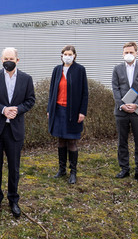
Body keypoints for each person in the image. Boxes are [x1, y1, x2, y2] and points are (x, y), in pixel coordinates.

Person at [0, 47, 35, 218]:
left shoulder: (26, 79)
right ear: (1, 59)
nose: (8, 61)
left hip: (15, 130)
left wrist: (17, 110)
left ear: (17, 60)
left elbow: (30, 100)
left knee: (14, 168)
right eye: (5, 58)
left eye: (11, 58)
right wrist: (4, 109)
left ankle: (13, 200)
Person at [47, 45, 88, 184]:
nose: (67, 56)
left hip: (73, 111)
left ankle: (73, 172)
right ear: (61, 56)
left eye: (70, 54)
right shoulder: (57, 70)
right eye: (65, 54)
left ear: (74, 56)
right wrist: (49, 109)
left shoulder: (80, 70)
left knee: (72, 141)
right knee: (60, 140)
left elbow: (84, 93)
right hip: (58, 109)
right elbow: (52, 91)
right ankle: (61, 169)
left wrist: (82, 111)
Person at [112, 41, 138, 185]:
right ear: (123, 54)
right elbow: (115, 88)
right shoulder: (117, 69)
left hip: (137, 111)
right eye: (126, 52)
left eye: (131, 52)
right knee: (122, 141)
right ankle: (124, 169)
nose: (128, 55)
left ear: (136, 53)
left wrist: (136, 104)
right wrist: (122, 105)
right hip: (121, 111)